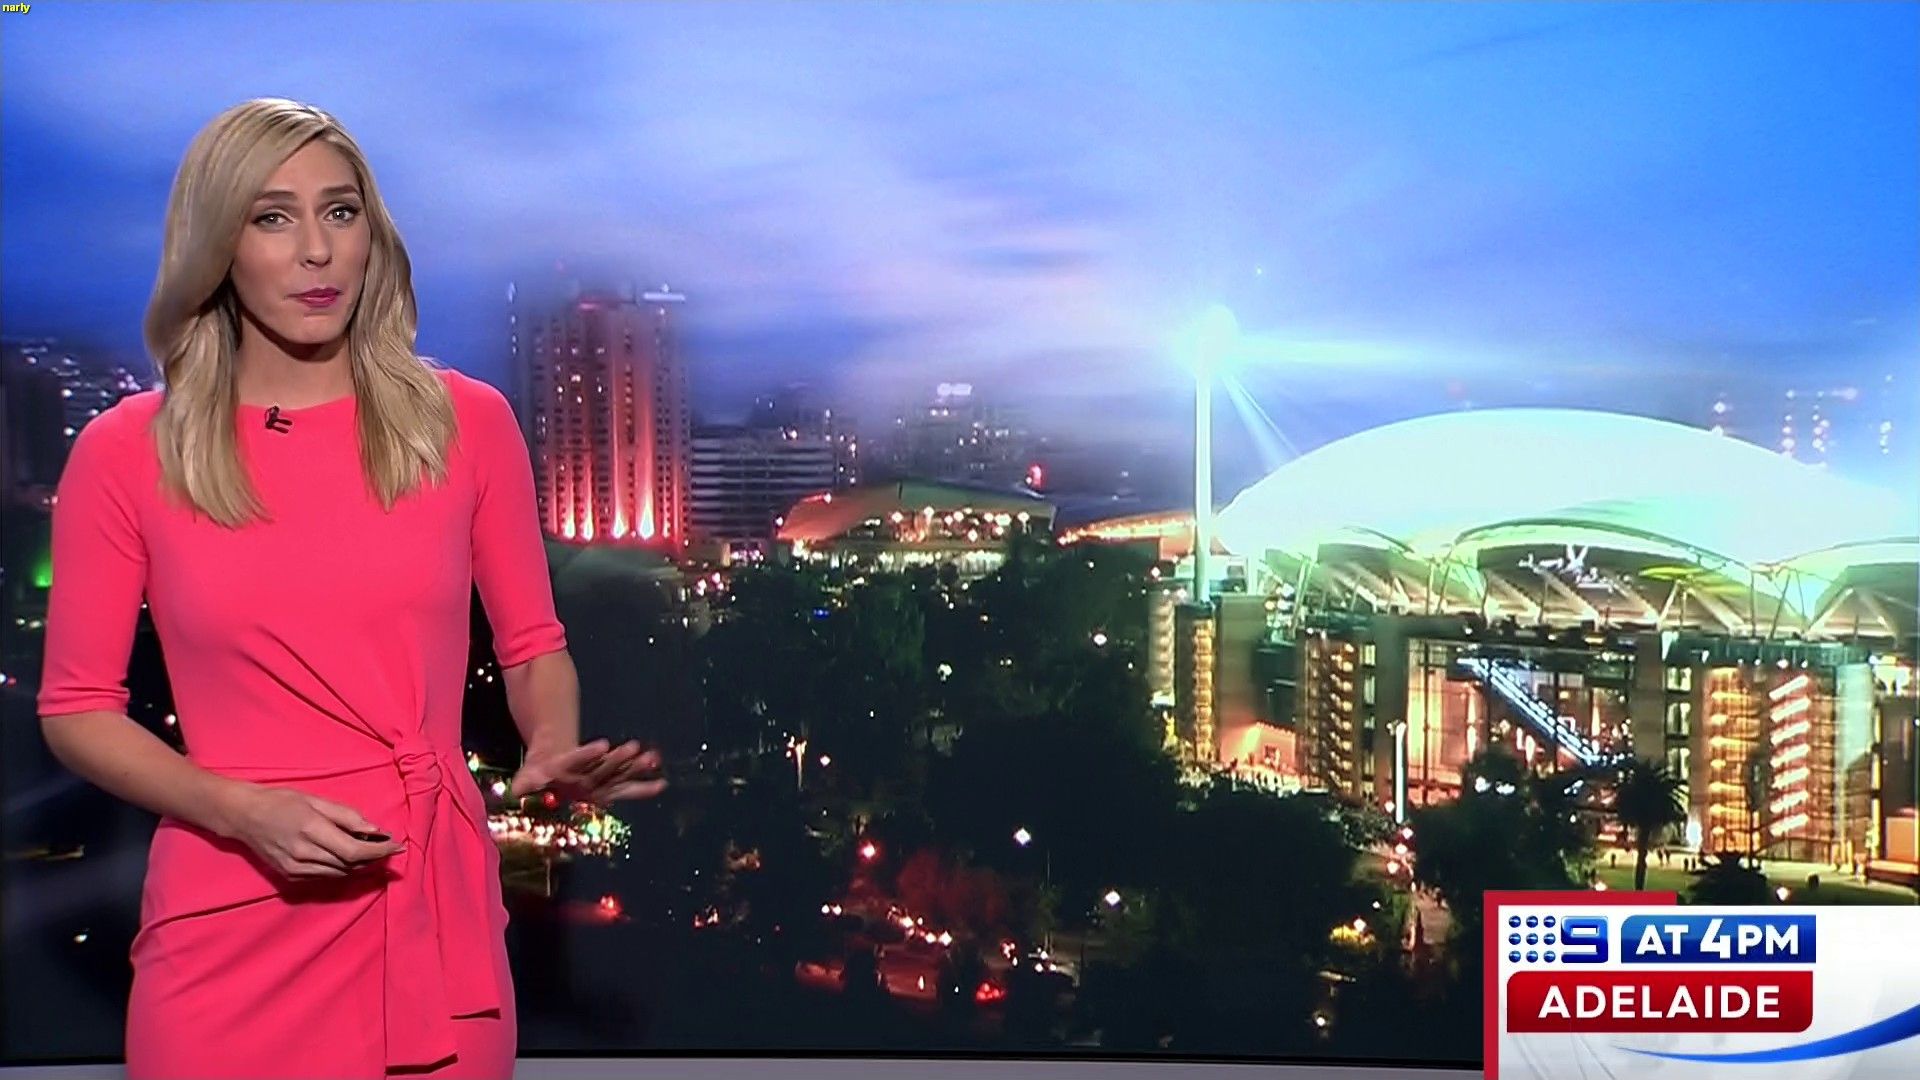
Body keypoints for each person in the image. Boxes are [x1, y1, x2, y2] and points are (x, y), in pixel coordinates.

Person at [35, 98, 668, 1080]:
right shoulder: (128, 454)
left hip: (430, 914)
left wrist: (550, 741)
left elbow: (532, 646)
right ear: (218, 245)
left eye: (340, 211)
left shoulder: (466, 425)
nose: (317, 250)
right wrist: (241, 811)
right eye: (272, 217)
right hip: (226, 922)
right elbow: (77, 710)